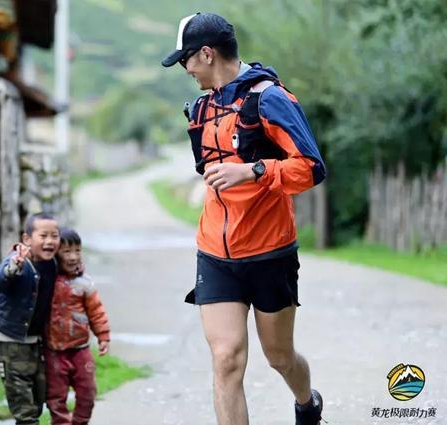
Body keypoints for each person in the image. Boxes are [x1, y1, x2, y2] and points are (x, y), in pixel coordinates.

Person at [161, 12, 327, 425]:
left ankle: (308, 403)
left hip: (269, 252)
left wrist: (252, 170)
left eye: (187, 60)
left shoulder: (269, 98)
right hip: (215, 254)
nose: (186, 69)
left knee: (279, 356)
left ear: (206, 53)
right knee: (226, 359)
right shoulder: (203, 107)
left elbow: (310, 168)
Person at [0, 212, 60, 425]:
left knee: (37, 402)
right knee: (24, 410)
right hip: (11, 342)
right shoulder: (17, 261)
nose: (49, 241)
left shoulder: (52, 264)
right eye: (43, 236)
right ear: (27, 239)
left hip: (36, 343)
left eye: (54, 236)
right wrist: (13, 268)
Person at [44, 228, 110, 425]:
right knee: (55, 397)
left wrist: (103, 336)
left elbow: (96, 311)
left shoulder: (84, 283)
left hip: (80, 350)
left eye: (77, 251)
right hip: (54, 352)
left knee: (88, 393)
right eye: (66, 252)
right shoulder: (47, 282)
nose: (73, 257)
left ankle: (80, 422)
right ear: (55, 254)